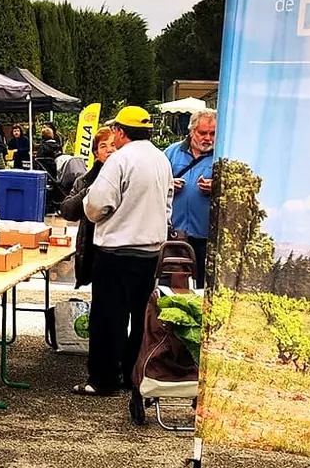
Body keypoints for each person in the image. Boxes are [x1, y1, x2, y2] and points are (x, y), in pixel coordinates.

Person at [74, 107, 173, 397]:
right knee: (140, 317)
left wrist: (100, 216)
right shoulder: (161, 159)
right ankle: (134, 374)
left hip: (116, 251)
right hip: (150, 251)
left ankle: (103, 380)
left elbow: (97, 204)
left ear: (119, 132)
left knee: (109, 318)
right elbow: (168, 204)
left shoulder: (119, 160)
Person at [59, 127, 122, 287]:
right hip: (93, 250)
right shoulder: (84, 180)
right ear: (96, 153)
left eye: (113, 145)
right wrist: (90, 192)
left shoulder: (128, 177)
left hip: (120, 251)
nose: (109, 150)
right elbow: (67, 211)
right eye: (103, 146)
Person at [165, 110, 217, 286]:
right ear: (191, 131)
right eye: (203, 133)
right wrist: (169, 185)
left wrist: (216, 188)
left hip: (207, 236)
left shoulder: (221, 156)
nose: (208, 138)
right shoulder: (171, 153)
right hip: (174, 233)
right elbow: (154, 184)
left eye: (213, 133)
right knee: (173, 287)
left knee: (203, 287)